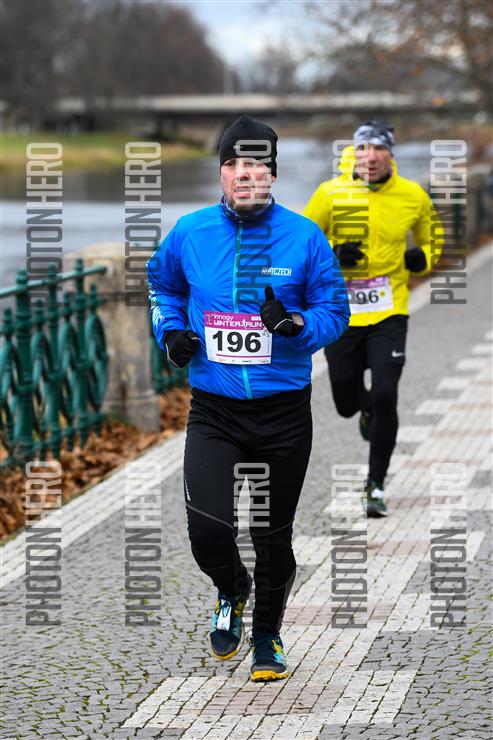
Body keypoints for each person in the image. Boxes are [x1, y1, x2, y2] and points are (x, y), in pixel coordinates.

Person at [147, 115, 349, 682]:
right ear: (221, 172)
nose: (243, 174)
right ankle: (231, 589)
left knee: (271, 535)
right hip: (215, 410)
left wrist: (296, 326)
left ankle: (266, 636)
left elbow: (336, 311)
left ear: (272, 175)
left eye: (255, 165)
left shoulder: (304, 237)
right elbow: (162, 286)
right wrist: (171, 333)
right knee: (208, 530)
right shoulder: (190, 232)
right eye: (233, 164)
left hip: (283, 414)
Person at [304, 119, 443, 517]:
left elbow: (433, 236)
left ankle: (375, 484)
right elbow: (302, 242)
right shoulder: (330, 193)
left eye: (380, 148)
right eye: (364, 148)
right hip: (342, 312)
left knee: (386, 394)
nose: (371, 156)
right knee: (346, 402)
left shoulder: (411, 195)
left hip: (389, 309)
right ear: (355, 152)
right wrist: (333, 254)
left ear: (390, 154)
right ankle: (364, 410)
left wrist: (423, 258)